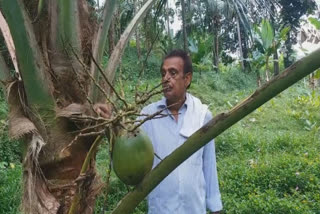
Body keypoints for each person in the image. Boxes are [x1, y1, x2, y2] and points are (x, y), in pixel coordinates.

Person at [140, 49, 223, 214]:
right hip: (160, 210)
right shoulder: (146, 116)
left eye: (172, 73)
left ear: (187, 79)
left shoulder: (202, 116)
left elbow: (209, 167)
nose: (165, 78)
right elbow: (126, 142)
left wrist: (215, 207)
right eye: (163, 73)